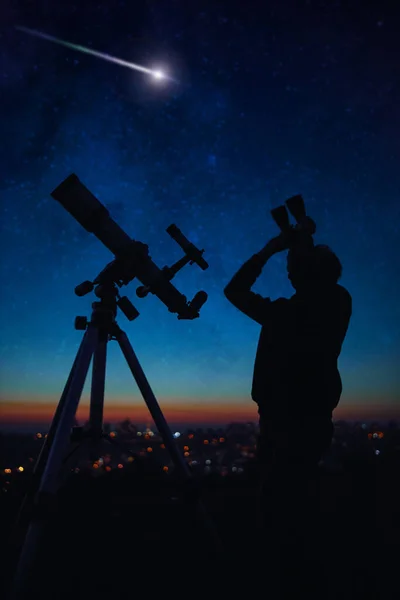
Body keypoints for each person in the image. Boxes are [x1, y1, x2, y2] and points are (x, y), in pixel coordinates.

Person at [224, 233, 352, 594]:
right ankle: (303, 571)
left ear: (302, 276)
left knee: (279, 504)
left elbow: (235, 291)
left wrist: (269, 250)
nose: (290, 276)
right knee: (299, 497)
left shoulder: (285, 313)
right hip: (313, 418)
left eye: (294, 272)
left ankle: (286, 579)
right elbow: (317, 283)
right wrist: (303, 247)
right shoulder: (340, 301)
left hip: (284, 423)